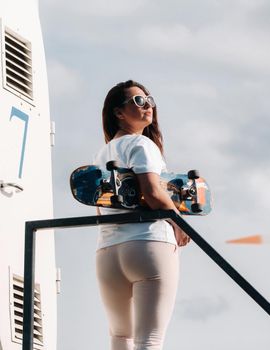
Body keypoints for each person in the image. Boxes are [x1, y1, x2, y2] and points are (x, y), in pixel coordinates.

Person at [93, 80, 190, 350]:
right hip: (148, 243)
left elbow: (100, 206)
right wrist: (179, 223)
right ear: (118, 112)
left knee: (121, 337)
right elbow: (151, 192)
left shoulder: (101, 154)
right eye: (137, 101)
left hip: (108, 251)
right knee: (150, 339)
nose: (147, 105)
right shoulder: (142, 145)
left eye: (149, 100)